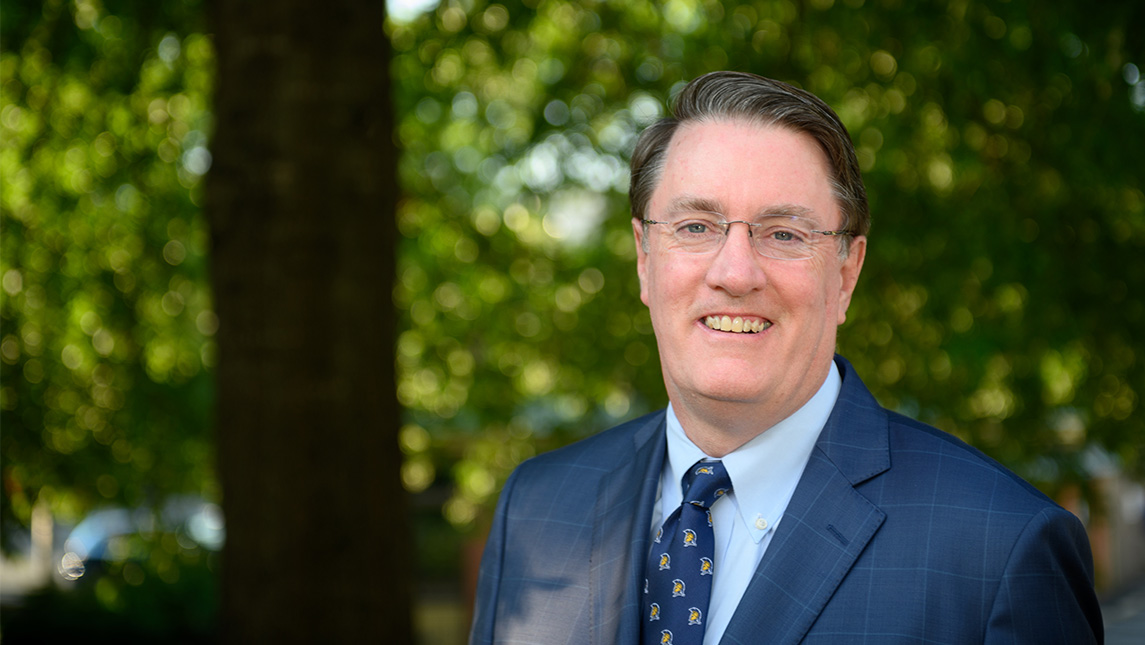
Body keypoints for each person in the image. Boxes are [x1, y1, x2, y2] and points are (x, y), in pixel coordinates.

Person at [469, 71, 1102, 644]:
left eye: (784, 234)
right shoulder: (537, 508)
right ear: (644, 257)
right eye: (695, 227)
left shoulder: (999, 549)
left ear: (846, 274)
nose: (735, 273)